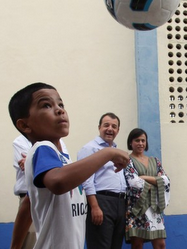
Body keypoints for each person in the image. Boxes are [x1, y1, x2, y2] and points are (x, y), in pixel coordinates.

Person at [8, 82, 129, 249]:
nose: (60, 110)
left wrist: (14, 246)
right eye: (46, 105)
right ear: (25, 125)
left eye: (61, 104)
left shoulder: (62, 158)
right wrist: (108, 153)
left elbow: (29, 203)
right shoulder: (43, 148)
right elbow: (58, 183)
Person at [77, 112, 127, 249]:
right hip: (101, 202)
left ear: (118, 130)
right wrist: (94, 206)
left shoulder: (116, 151)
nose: (110, 129)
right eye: (106, 125)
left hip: (120, 204)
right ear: (99, 127)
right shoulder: (89, 148)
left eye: (114, 126)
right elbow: (86, 180)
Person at [10, 135, 67, 249]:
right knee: (32, 240)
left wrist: (35, 159)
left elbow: (63, 167)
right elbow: (31, 167)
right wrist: (38, 161)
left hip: (54, 199)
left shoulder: (59, 141)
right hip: (32, 198)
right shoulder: (20, 141)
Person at [124, 128, 170, 249]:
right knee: (137, 244)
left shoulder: (155, 161)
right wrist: (155, 182)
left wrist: (143, 177)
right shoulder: (127, 161)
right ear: (130, 142)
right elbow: (133, 182)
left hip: (155, 208)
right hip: (137, 208)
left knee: (160, 244)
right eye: (137, 140)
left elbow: (166, 181)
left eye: (143, 140)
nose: (140, 143)